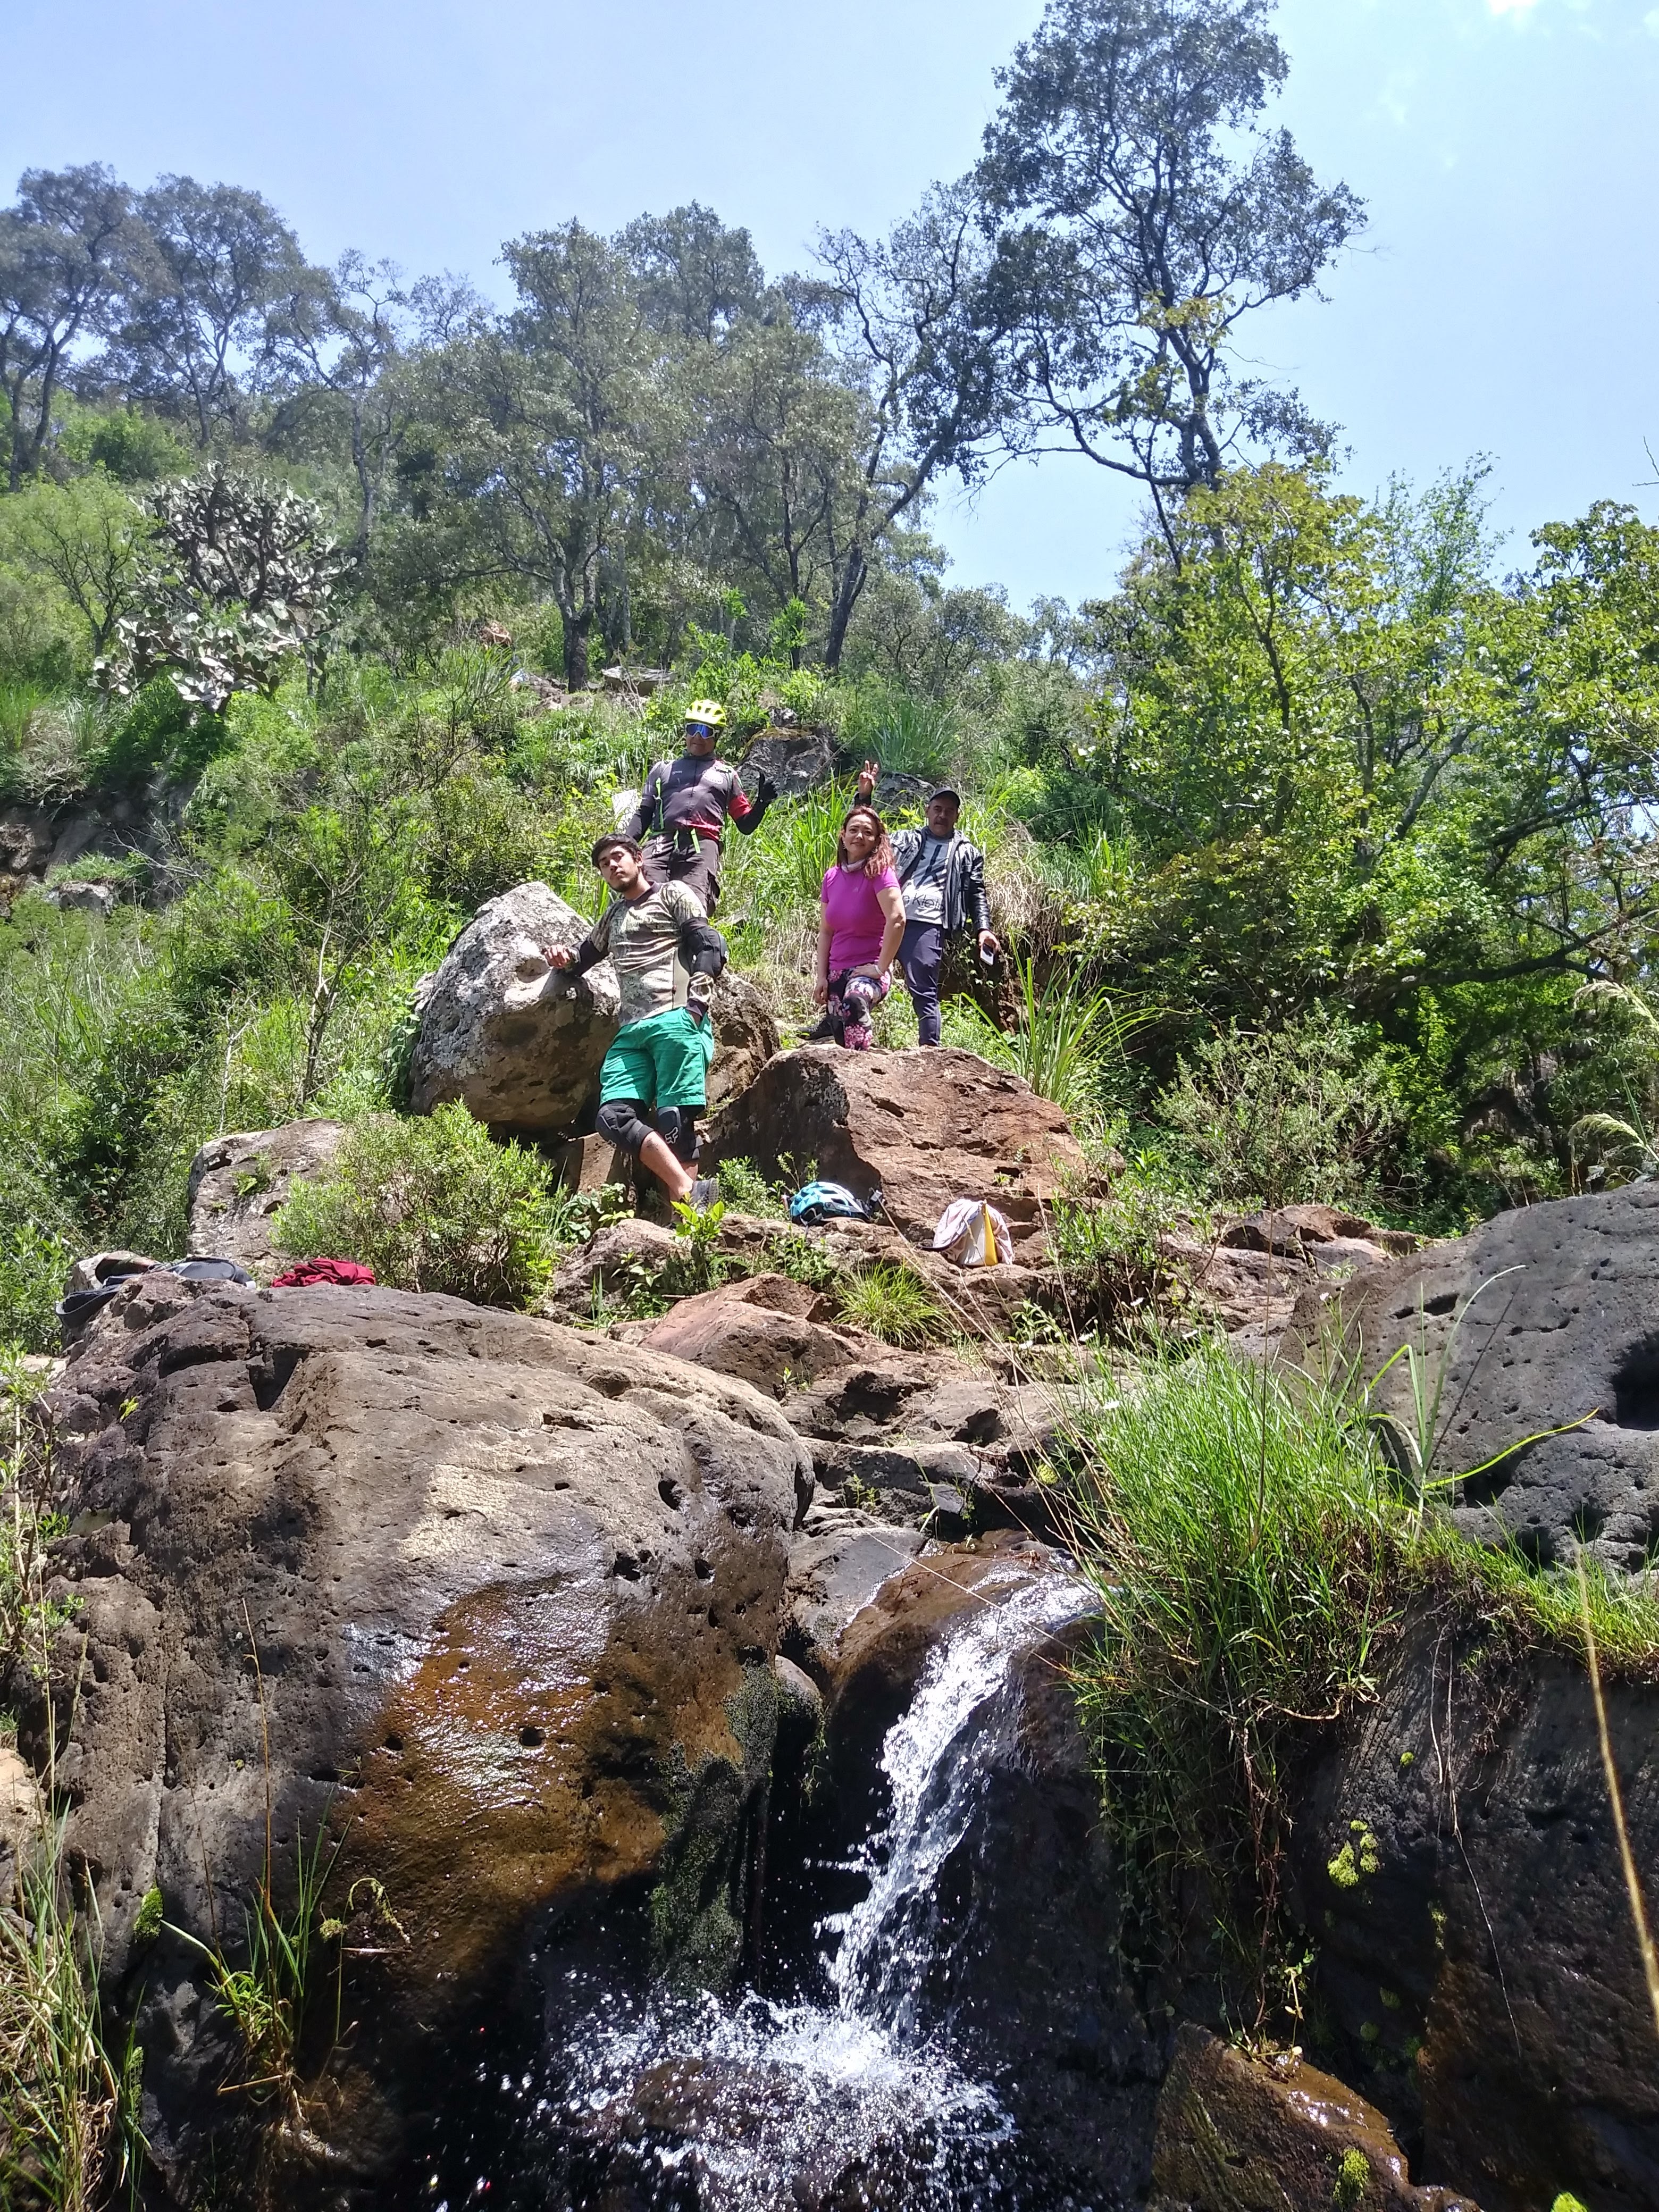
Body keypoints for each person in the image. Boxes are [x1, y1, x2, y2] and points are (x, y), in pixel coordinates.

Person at [547, 834, 726, 1209]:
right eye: (604, 864)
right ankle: (690, 1192)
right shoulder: (613, 916)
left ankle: (686, 1222)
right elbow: (583, 958)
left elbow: (709, 946)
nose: (612, 866)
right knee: (613, 1117)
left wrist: (696, 1008)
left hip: (676, 1016)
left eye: (618, 857)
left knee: (676, 1119)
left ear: (639, 860)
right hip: (631, 1031)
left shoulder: (673, 894)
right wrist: (564, 958)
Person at [854, 765, 999, 1046]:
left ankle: (930, 1051)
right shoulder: (906, 840)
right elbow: (868, 836)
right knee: (853, 971)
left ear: (957, 816)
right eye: (937, 809)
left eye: (949, 811)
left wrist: (984, 928)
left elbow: (976, 893)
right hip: (888, 918)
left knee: (924, 991)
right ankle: (835, 1026)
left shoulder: (968, 853)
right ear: (927, 811)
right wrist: (864, 798)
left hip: (927, 925)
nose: (942, 815)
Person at [618, 698, 777, 915]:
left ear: (716, 736)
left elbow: (745, 825)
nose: (698, 736)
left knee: (692, 911)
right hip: (660, 843)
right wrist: (621, 843)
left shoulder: (727, 776)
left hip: (702, 847)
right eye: (693, 729)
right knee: (643, 905)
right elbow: (644, 813)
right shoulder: (663, 770)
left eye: (706, 731)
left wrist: (762, 803)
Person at [812, 804, 905, 1050]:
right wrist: (821, 977)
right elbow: (826, 931)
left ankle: (862, 1070)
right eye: (854, 830)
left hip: (867, 970)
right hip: (836, 972)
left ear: (876, 841)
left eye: (868, 832)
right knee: (842, 1038)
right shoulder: (831, 877)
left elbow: (897, 919)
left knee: (855, 1001)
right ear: (843, 836)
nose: (859, 836)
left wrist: (881, 968)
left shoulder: (880, 873)